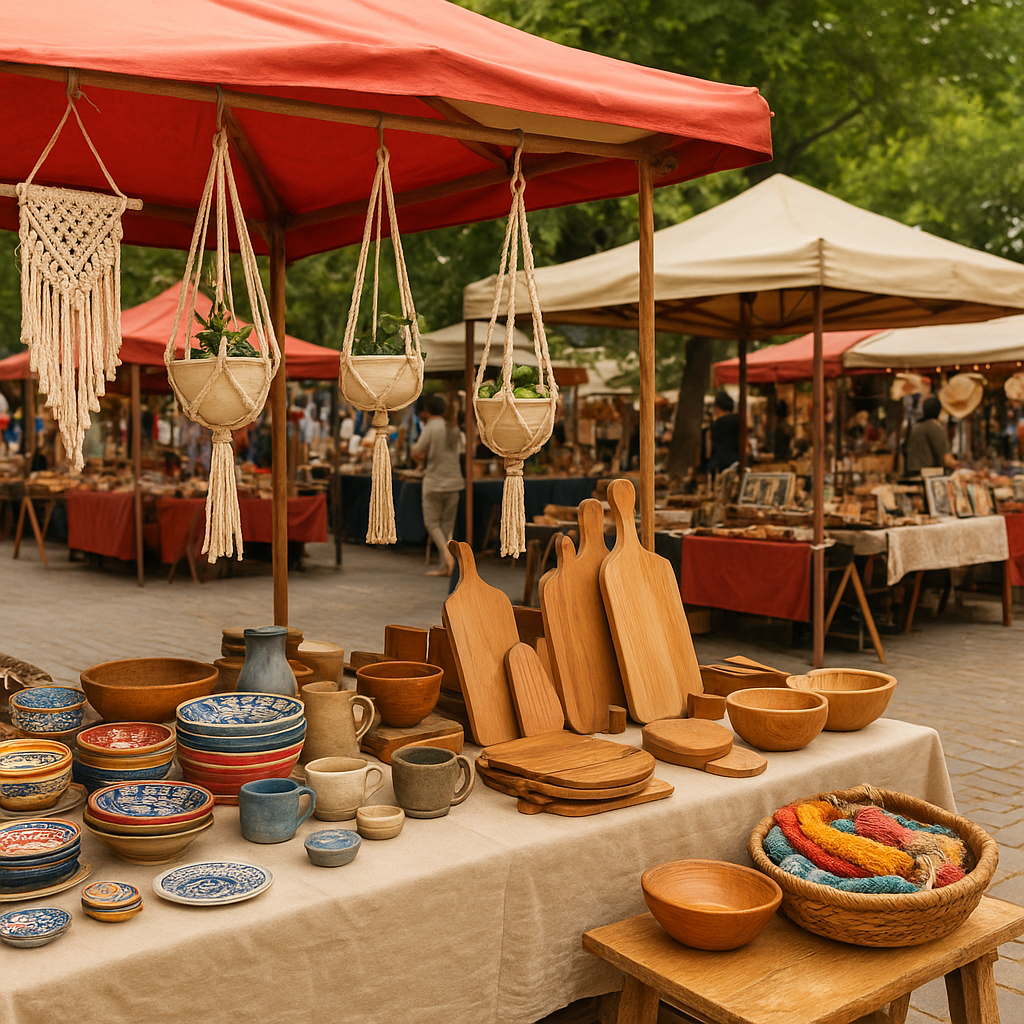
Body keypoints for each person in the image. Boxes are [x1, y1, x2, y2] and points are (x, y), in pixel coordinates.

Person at [412, 394, 464, 577]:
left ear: (427, 409)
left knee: (432, 523)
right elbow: (463, 449)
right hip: (454, 482)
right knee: (447, 526)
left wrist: (419, 457)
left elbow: (417, 451)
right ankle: (446, 565)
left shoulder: (431, 427)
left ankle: (447, 557)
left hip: (434, 482)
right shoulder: (453, 427)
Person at [905, 396, 957, 475]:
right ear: (938, 411)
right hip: (926, 473)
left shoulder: (916, 426)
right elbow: (947, 458)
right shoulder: (934, 427)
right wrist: (961, 467)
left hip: (911, 471)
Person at [707, 391, 740, 475]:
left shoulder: (716, 424)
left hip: (719, 461)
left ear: (717, 408)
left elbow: (709, 446)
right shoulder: (738, 420)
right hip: (736, 460)